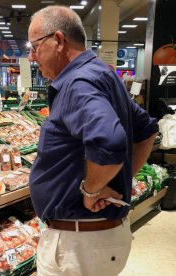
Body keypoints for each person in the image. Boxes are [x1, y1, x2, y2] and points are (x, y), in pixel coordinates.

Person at [27, 6, 158, 275]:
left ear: (59, 40)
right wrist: (113, 179)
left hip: (79, 245)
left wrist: (91, 190)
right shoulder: (101, 73)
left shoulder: (78, 82)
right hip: (94, 240)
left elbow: (109, 141)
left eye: (35, 46)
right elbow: (146, 130)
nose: (31, 56)